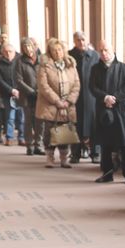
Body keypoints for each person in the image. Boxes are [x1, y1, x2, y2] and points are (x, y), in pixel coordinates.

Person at [90, 41, 125, 184]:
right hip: (104, 108)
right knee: (106, 144)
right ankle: (107, 174)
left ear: (113, 50)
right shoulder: (95, 68)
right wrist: (105, 97)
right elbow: (92, 87)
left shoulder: (123, 67)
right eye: (101, 50)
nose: (103, 53)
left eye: (106, 50)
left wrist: (114, 98)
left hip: (122, 109)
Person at [36, 37, 81, 168]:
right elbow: (43, 86)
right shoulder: (45, 66)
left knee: (65, 131)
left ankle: (63, 158)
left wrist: (68, 100)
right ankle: (50, 157)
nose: (57, 52)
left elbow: (76, 84)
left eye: (59, 49)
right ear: (50, 52)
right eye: (54, 50)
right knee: (50, 132)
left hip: (67, 105)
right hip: (50, 105)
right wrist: (57, 101)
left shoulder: (70, 64)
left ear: (63, 50)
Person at [69, 31, 100, 163]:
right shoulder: (69, 55)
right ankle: (75, 154)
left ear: (87, 40)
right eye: (78, 40)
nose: (81, 42)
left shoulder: (95, 55)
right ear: (74, 41)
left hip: (92, 95)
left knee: (94, 124)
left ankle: (95, 153)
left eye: (83, 39)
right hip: (75, 95)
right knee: (75, 125)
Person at [16, 38, 43, 155]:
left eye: (29, 45)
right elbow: (18, 80)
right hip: (27, 95)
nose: (27, 48)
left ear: (33, 46)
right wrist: (31, 91)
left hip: (41, 95)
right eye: (24, 46)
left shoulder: (41, 59)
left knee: (40, 122)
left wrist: (41, 90)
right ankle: (29, 145)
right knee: (28, 122)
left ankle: (38, 145)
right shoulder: (20, 61)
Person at [0, 41, 23, 146]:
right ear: (2, 52)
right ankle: (9, 138)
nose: (8, 53)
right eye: (6, 52)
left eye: (10, 51)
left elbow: (23, 77)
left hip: (21, 93)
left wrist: (19, 90)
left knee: (21, 117)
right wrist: (11, 90)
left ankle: (22, 138)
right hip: (7, 94)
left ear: (14, 52)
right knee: (10, 117)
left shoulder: (20, 62)